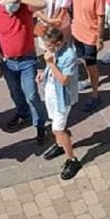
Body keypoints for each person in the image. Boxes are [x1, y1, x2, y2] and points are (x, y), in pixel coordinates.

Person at [0, 0, 48, 139]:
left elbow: (42, 3)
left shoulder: (25, 8)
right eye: (10, 1)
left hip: (27, 60)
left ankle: (40, 124)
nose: (13, 5)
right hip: (7, 61)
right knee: (15, 92)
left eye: (15, 1)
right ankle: (23, 113)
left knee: (31, 94)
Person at [37, 26, 82, 180]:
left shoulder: (69, 55)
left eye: (49, 46)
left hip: (63, 97)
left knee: (58, 129)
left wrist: (50, 64)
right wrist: (44, 72)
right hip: (50, 92)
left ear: (58, 43)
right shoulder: (53, 51)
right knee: (55, 123)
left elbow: (64, 80)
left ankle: (72, 160)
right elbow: (50, 63)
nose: (46, 49)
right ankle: (60, 145)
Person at [68, 0, 104, 113]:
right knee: (83, 60)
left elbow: (101, 17)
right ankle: (90, 81)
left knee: (91, 64)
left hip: (90, 35)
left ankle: (95, 94)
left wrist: (99, 38)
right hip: (77, 32)